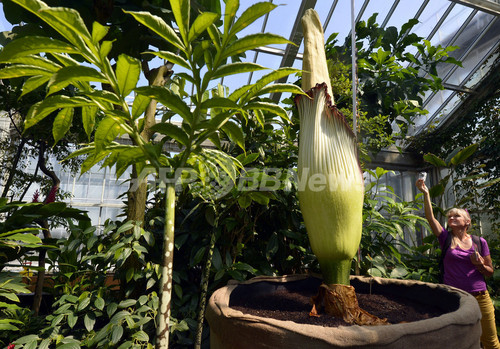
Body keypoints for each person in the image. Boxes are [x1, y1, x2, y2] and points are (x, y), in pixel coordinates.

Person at [416, 178, 500, 349]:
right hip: (455, 298)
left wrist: (479, 265)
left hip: (480, 297)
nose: (452, 217)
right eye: (450, 216)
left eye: (457, 215)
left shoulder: (479, 242)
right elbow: (430, 218)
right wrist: (426, 194)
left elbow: (489, 272)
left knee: (490, 342)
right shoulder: (445, 238)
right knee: (460, 342)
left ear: (467, 222)